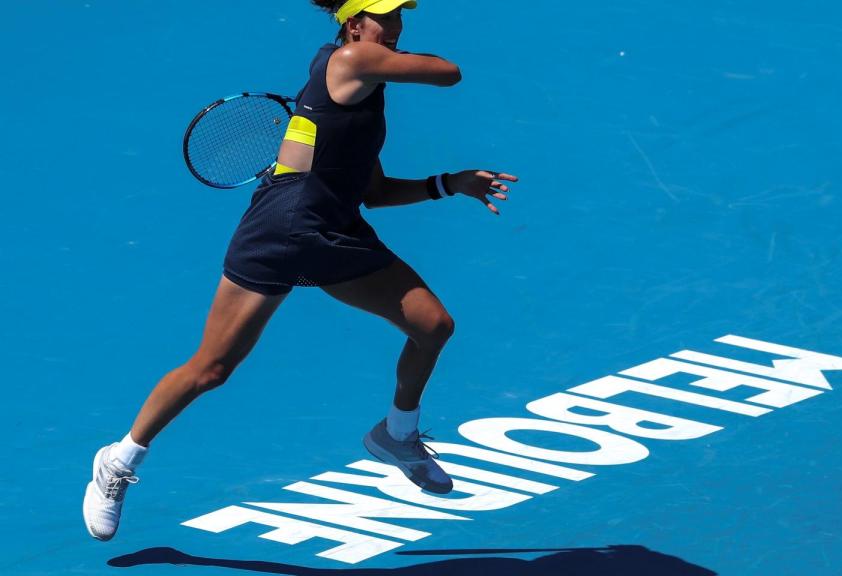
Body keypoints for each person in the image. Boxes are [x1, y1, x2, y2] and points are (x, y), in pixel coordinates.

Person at [83, 0, 518, 542]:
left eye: (402, 15)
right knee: (212, 368)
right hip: (280, 234)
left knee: (433, 326)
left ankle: (397, 434)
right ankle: (119, 459)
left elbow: (375, 194)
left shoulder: (359, 86)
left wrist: (447, 183)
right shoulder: (353, 60)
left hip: (336, 234)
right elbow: (448, 73)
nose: (399, 27)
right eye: (387, 17)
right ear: (355, 24)